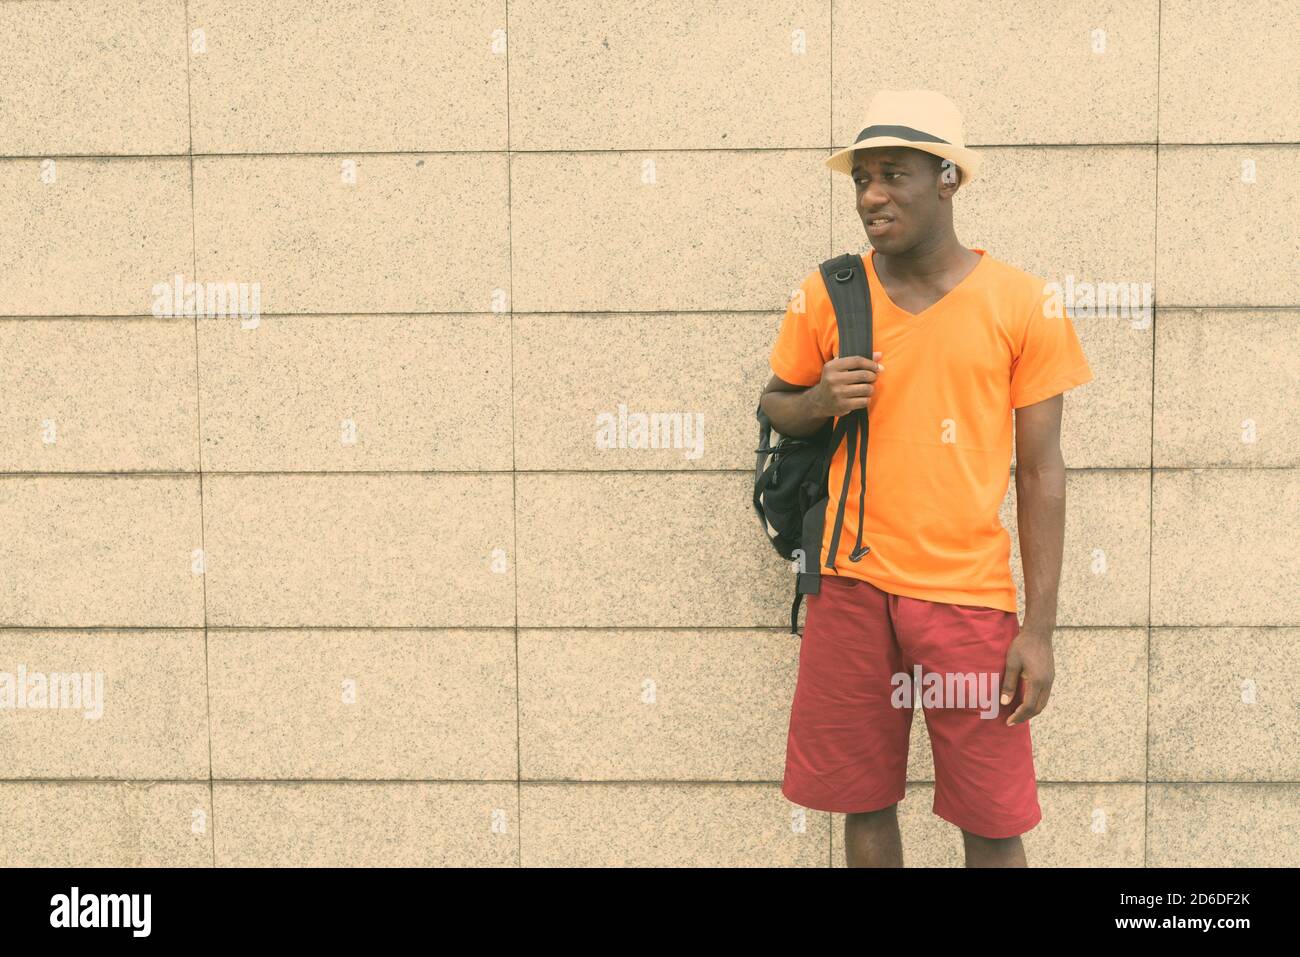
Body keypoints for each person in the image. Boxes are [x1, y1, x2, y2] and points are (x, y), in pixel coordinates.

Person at [760, 90, 1094, 867]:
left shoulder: (1023, 302)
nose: (871, 195)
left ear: (947, 177)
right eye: (861, 179)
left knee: (992, 815)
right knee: (864, 801)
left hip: (969, 597)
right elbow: (777, 406)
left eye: (892, 175)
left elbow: (1042, 470)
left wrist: (1038, 629)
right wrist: (818, 400)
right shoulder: (829, 292)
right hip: (847, 585)